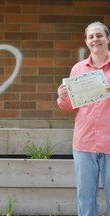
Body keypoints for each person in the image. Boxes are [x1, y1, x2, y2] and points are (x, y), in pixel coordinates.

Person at [57, 21, 110, 216]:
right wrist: (63, 98)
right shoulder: (78, 69)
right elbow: (72, 106)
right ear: (86, 42)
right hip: (84, 142)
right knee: (85, 201)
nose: (95, 39)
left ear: (108, 38)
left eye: (99, 35)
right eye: (91, 37)